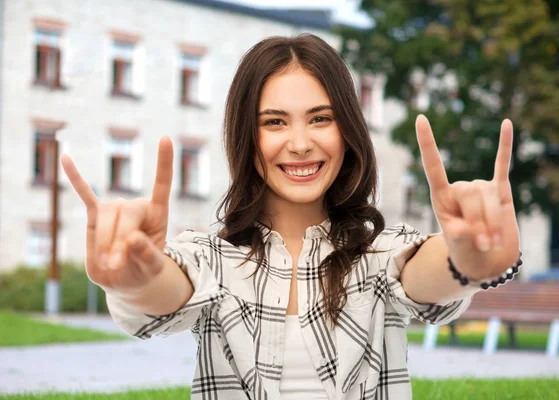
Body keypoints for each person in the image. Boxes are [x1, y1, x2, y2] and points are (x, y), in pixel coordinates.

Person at [61, 34, 522, 400]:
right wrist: (133, 280)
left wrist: (468, 261)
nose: (300, 143)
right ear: (247, 136)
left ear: (347, 131)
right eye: (275, 122)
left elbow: (424, 268)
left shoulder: (379, 249)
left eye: (320, 118)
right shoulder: (211, 257)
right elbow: (170, 287)